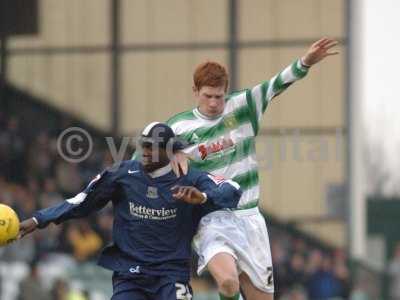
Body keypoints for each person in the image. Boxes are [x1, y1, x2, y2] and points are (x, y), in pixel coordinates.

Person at [163, 38, 339, 300]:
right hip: (210, 218)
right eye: (207, 96)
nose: (213, 103)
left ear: (227, 91)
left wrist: (305, 62)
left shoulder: (244, 106)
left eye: (219, 96)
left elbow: (277, 84)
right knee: (228, 282)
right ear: (195, 91)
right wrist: (170, 146)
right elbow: (143, 156)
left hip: (249, 218)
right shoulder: (178, 127)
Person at [19, 122, 242, 300]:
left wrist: (203, 196)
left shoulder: (190, 178)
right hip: (130, 276)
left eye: (151, 146)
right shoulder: (122, 174)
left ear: (167, 150)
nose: (144, 151)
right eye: (142, 144)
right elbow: (81, 202)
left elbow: (233, 190)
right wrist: (39, 219)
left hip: (171, 277)